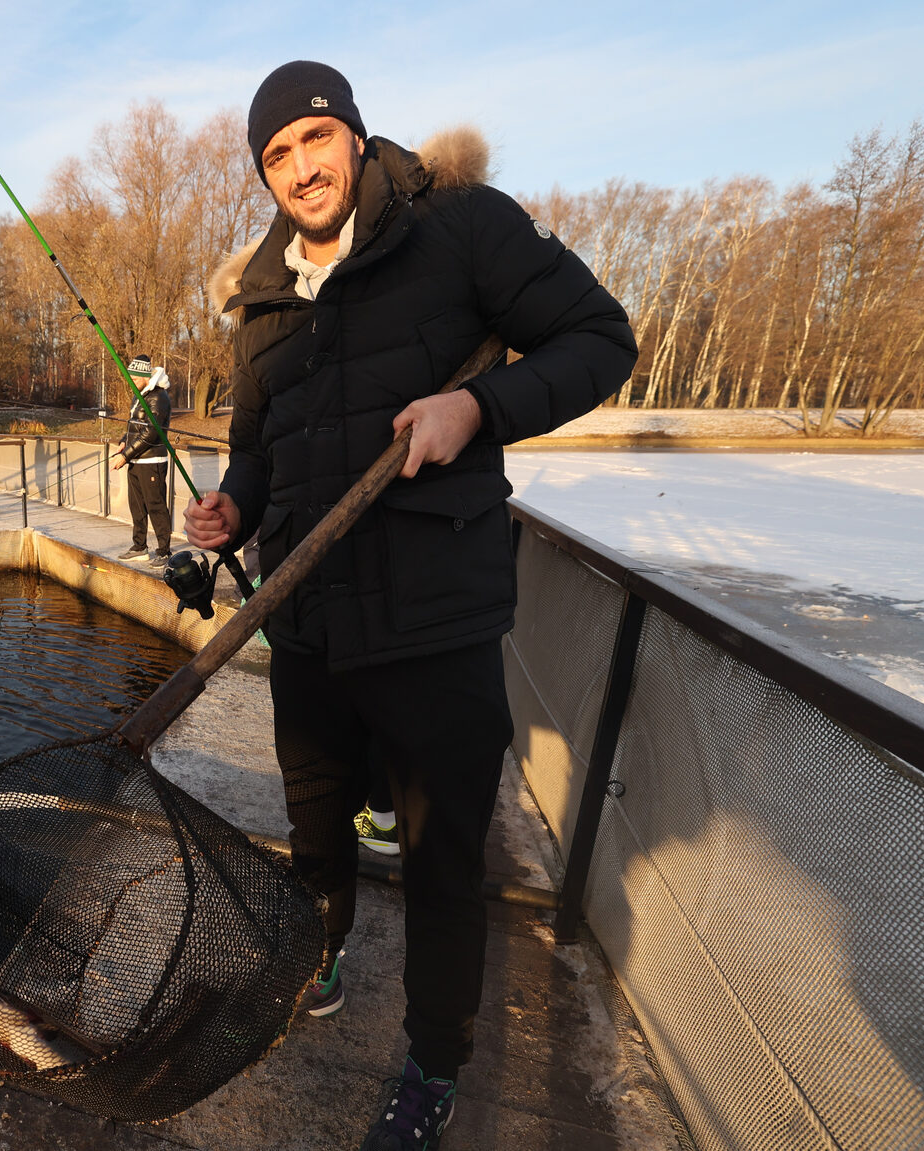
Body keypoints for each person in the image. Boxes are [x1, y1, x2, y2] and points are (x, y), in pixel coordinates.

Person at [183, 61, 636, 1150]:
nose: (300, 167)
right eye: (276, 155)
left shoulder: (462, 228)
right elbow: (260, 448)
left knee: (441, 865)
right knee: (314, 831)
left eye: (312, 138)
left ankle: (434, 1063)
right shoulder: (260, 300)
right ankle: (319, 958)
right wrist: (234, 506)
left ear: (352, 134)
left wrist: (476, 407)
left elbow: (600, 339)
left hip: (435, 626)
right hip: (308, 627)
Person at [112, 354, 175, 567]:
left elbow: (151, 434)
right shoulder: (140, 394)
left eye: (135, 379)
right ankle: (139, 547)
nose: (132, 383)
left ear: (145, 376)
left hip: (152, 461)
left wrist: (125, 456)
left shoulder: (158, 397)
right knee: (137, 506)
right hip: (135, 461)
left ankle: (164, 551)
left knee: (156, 506)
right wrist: (123, 442)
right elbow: (133, 425)